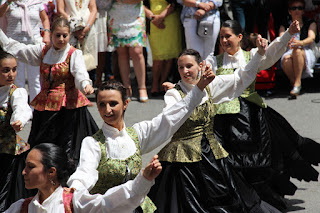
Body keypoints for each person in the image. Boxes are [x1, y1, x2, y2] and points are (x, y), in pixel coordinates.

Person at [149, 35, 296, 211]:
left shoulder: (211, 85)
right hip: (183, 159)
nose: (185, 71)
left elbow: (241, 77)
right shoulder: (173, 94)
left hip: (211, 153)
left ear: (200, 66)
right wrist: (192, 89)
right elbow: (172, 117)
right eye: (181, 67)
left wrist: (258, 55)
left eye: (189, 66)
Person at [208, 19, 320, 210]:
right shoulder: (213, 61)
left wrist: (288, 34)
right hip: (221, 121)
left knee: (257, 163)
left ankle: (260, 201)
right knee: (226, 163)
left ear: (239, 37)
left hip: (249, 119)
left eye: (228, 36)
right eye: (221, 37)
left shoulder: (251, 55)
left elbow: (271, 54)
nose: (224, 40)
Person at [67, 71, 215, 212]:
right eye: (102, 104)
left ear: (125, 103)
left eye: (113, 103)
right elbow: (85, 172)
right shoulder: (92, 143)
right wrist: (75, 188)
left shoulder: (137, 134)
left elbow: (169, 120)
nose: (107, 110)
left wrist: (198, 88)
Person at [0, 17, 99, 165]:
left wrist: (85, 84)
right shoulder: (43, 51)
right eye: (57, 35)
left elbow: (80, 73)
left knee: (69, 149)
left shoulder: (74, 54)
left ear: (69, 35)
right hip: (46, 107)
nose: (61, 39)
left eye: (64, 35)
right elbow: (17, 49)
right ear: (51, 34)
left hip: (69, 109)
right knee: (42, 148)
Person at [4, 143, 163, 212]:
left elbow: (109, 204)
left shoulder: (73, 202)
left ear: (51, 172)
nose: (23, 172)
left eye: (30, 167)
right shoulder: (21, 208)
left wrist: (143, 180)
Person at [0, 51, 33, 211]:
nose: (11, 74)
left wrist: (18, 120)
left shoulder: (16, 92)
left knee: (3, 191)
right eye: (6, 70)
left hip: (7, 151)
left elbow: (22, 108)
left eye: (14, 69)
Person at [0, 0, 51, 103]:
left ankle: (35, 109)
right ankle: (18, 107)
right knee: (17, 79)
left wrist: (46, 34)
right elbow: (0, 14)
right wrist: (8, 2)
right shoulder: (8, 2)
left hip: (33, 44)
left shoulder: (36, 2)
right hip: (14, 46)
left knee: (35, 80)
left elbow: (45, 19)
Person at [107, 0, 149, 102]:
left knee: (137, 51)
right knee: (122, 52)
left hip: (135, 15)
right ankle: (126, 87)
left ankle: (142, 87)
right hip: (117, 14)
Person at [279, 0, 319, 98]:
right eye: (294, 8)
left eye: (300, 8)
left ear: (303, 11)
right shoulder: (284, 24)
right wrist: (287, 41)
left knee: (297, 51)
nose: (297, 10)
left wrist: (300, 43)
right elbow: (281, 38)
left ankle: (297, 83)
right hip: (289, 50)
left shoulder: (310, 22)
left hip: (307, 50)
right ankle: (296, 84)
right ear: (289, 11)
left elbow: (311, 38)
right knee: (286, 59)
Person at [144, 0, 182, 96]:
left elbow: (175, 3)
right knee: (158, 56)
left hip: (170, 20)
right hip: (153, 22)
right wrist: (153, 18)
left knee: (169, 54)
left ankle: (162, 82)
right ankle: (155, 84)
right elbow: (141, 4)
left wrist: (161, 17)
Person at [56, 0, 98, 72]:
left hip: (88, 30)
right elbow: (60, 10)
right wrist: (74, 25)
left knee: (88, 63)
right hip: (69, 30)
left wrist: (87, 28)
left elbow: (93, 10)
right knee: (70, 62)